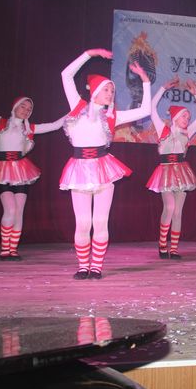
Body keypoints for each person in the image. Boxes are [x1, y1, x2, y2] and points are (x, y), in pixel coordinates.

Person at [59, 49, 151, 280]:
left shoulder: (112, 116)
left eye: (112, 91)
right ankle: (83, 266)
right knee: (83, 222)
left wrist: (145, 81)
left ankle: (96, 267)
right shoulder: (77, 107)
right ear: (95, 91)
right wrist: (89, 54)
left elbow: (146, 110)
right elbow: (66, 75)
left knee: (100, 221)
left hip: (103, 169)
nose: (111, 94)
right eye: (106, 89)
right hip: (80, 169)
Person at [0, 64, 63, 261]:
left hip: (22, 171)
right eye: (23, 106)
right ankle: (4, 249)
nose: (26, 110)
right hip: (2, 170)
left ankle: (13, 249)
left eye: (29, 109)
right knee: (10, 209)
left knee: (19, 211)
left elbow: (56, 125)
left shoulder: (29, 129)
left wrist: (76, 110)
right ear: (15, 107)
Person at [147, 76, 196, 259]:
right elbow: (151, 108)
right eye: (184, 116)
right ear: (174, 117)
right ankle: (162, 245)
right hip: (165, 171)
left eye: (188, 117)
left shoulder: (188, 132)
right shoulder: (163, 129)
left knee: (178, 212)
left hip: (182, 172)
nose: (187, 119)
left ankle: (173, 249)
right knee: (170, 206)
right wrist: (163, 88)